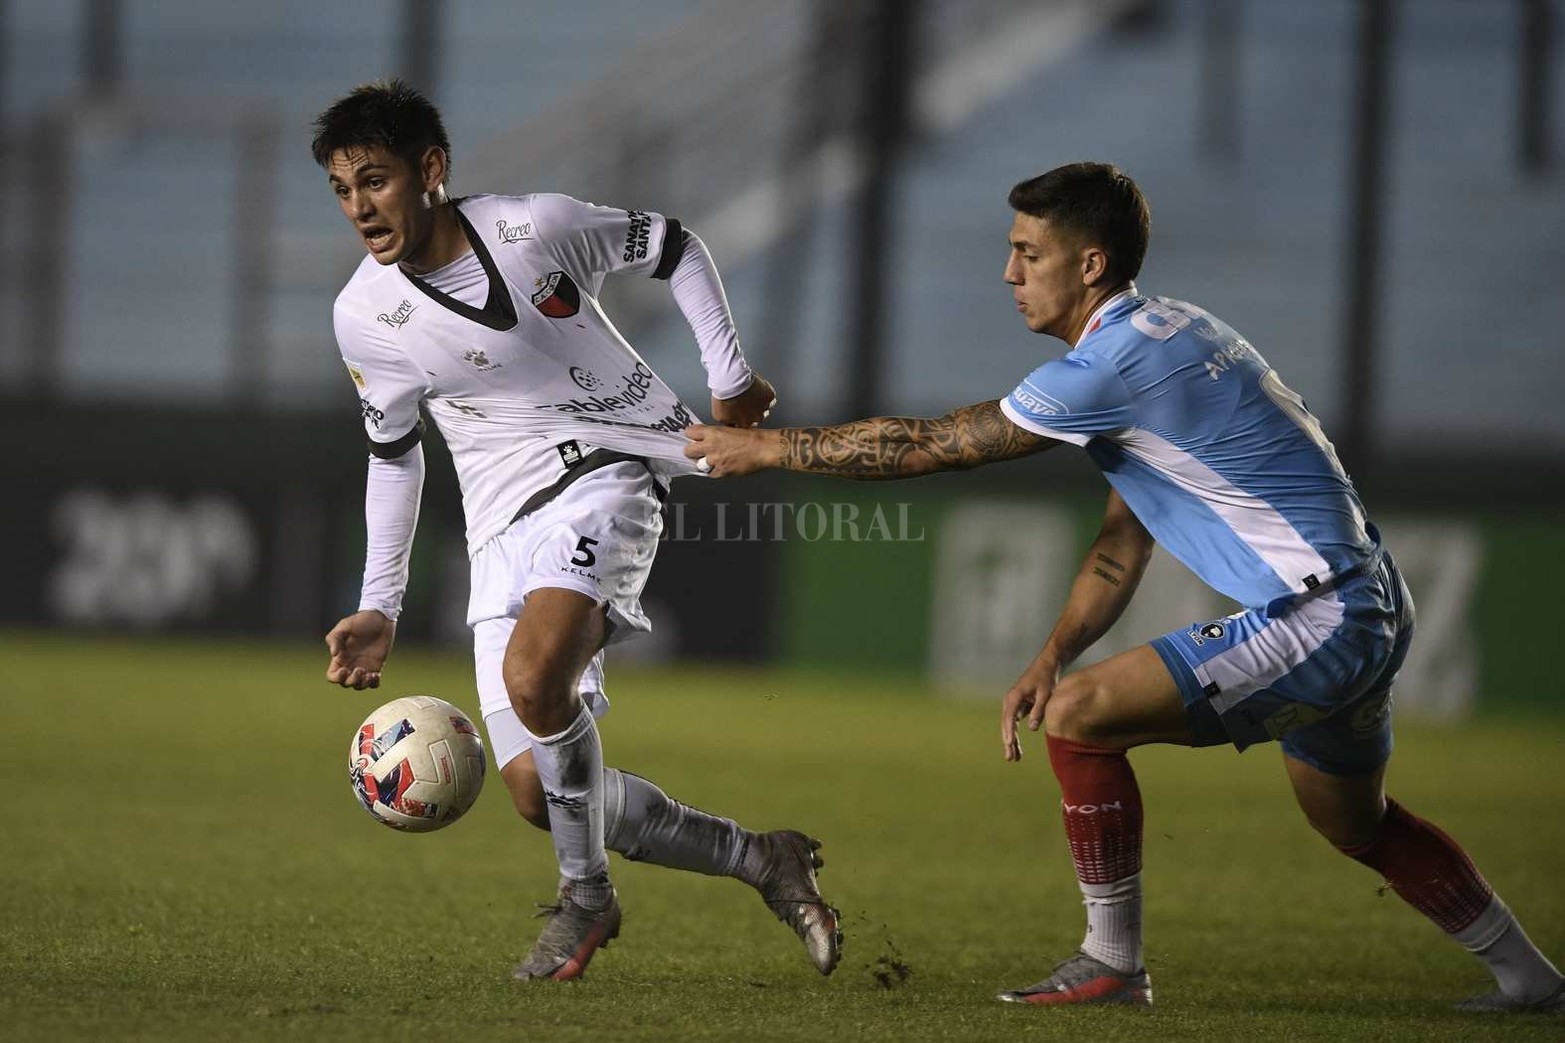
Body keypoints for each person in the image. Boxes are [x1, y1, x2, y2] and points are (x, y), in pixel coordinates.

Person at [684, 162, 1563, 1012]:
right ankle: (1532, 980)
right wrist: (1052, 650)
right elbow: (1122, 540)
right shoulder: (1174, 331)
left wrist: (764, 448)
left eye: (1029, 253)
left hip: (1321, 611)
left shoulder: (1106, 369)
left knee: (1079, 715)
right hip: (1370, 600)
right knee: (1355, 825)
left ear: (1090, 265)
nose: (1008, 272)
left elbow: (927, 444)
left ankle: (1111, 960)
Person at [313, 80, 841, 983]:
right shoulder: (363, 317)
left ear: (430, 170)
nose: (360, 207)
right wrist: (379, 604)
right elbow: (395, 455)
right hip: (497, 527)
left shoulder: (535, 228)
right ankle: (762, 858)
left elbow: (675, 245)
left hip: (609, 474)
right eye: (343, 190)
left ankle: (585, 900)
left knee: (532, 678)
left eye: (376, 180)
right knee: (538, 792)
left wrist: (729, 381)